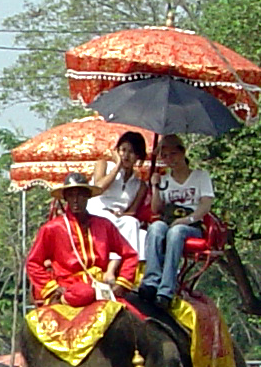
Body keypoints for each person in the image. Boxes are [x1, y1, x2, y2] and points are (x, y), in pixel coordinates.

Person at [23, 166, 140, 306]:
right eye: (71, 195)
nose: (76, 200)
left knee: (135, 313)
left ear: (88, 197)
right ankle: (62, 300)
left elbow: (130, 255)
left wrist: (122, 283)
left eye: (80, 195)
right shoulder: (52, 228)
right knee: (85, 293)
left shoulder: (104, 225)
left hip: (100, 285)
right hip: (70, 287)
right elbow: (33, 263)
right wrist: (53, 288)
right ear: (66, 198)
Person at [138, 133, 214, 305]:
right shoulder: (164, 179)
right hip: (169, 220)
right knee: (156, 228)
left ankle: (167, 289)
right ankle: (151, 281)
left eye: (173, 154)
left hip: (191, 225)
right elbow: (156, 209)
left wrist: (187, 219)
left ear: (182, 153)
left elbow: (205, 205)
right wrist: (155, 187)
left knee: (176, 232)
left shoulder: (200, 176)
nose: (169, 159)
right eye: (164, 156)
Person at [89, 129, 153, 252]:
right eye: (123, 150)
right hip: (96, 213)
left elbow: (132, 212)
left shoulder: (140, 185)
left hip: (119, 218)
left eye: (132, 152)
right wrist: (117, 167)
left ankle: (130, 265)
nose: (126, 156)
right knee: (108, 220)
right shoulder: (104, 165)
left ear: (138, 156)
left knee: (133, 224)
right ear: (117, 151)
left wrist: (120, 214)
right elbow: (99, 188)